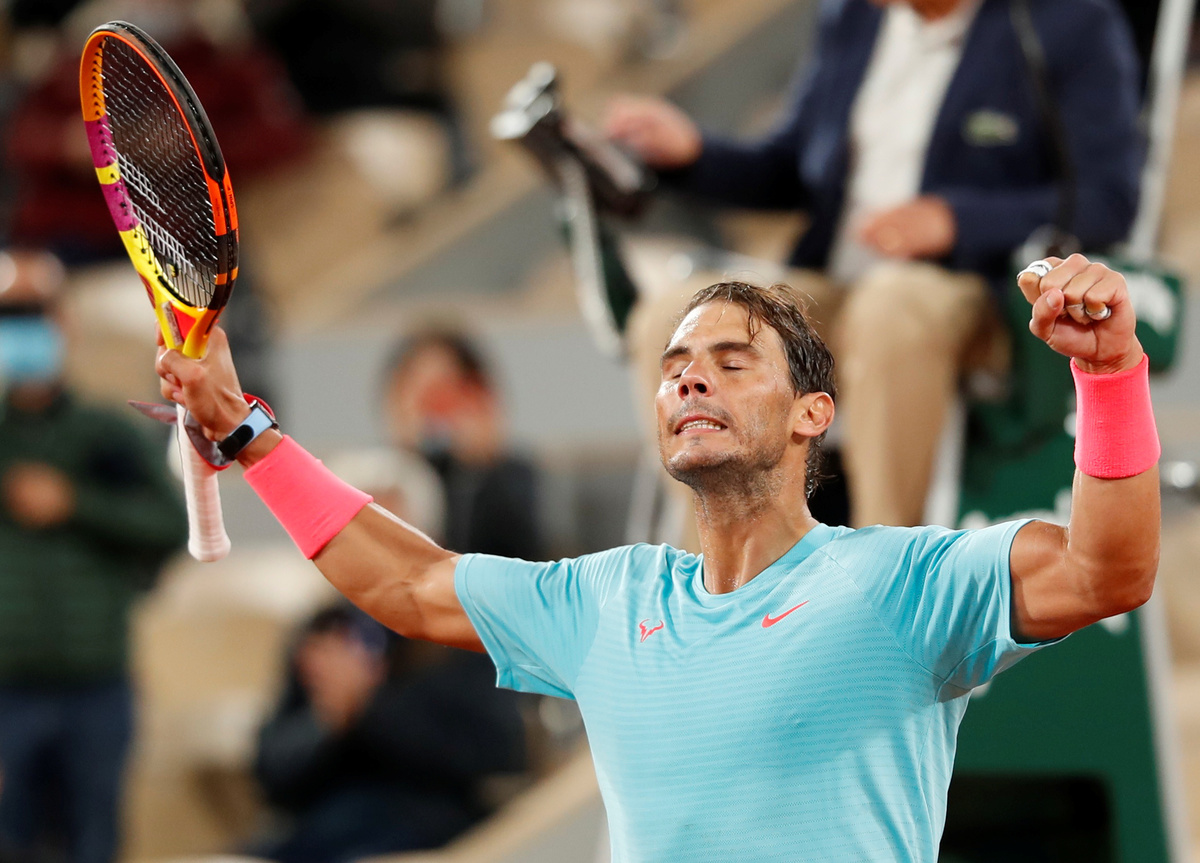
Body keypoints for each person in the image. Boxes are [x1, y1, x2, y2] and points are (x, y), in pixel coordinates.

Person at [155, 252, 1160, 861]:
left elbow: (1105, 572)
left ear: (814, 413)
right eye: (676, 368)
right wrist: (246, 431)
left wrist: (1110, 375)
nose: (689, 381)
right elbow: (410, 583)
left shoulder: (902, 580)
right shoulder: (610, 596)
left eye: (732, 362)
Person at [603, 0, 1142, 528]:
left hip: (964, 290)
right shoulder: (853, 15)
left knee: (889, 309)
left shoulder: (1066, 21)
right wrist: (694, 152)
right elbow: (792, 167)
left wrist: (954, 219)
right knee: (677, 319)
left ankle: (883, 565)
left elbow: (1107, 202)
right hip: (834, 285)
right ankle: (715, 564)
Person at [0, 249, 188, 863]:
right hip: (9, 689)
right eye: (10, 318)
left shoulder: (108, 433)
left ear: (66, 324)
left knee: (94, 842)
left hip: (96, 685)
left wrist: (74, 503)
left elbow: (170, 525)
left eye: (36, 316)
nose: (24, 333)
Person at [251, 603, 528, 863]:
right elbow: (271, 773)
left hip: (430, 826)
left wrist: (368, 703)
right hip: (320, 828)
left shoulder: (460, 632)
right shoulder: (329, 629)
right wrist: (328, 720)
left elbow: (494, 752)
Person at [382, 329, 543, 560]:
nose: (436, 410)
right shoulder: (376, 476)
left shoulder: (512, 477)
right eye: (425, 395)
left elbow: (525, 555)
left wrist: (481, 461)